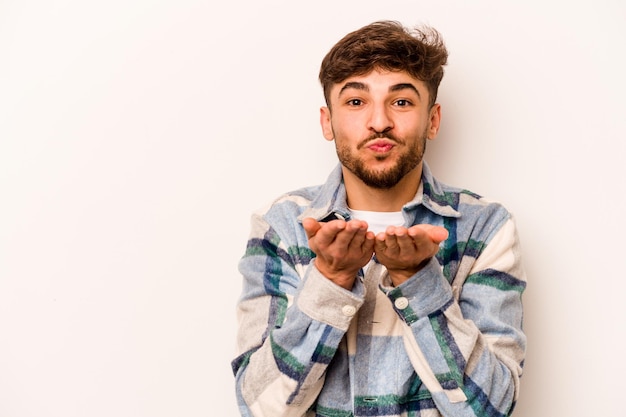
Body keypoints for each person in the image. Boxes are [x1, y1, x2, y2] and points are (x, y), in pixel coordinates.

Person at [231, 20, 527, 417]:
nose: (379, 122)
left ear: (433, 119)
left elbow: (491, 408)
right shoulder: (282, 226)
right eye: (356, 102)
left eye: (401, 102)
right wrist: (331, 279)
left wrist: (418, 280)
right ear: (327, 121)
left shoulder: (486, 228)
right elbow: (258, 407)